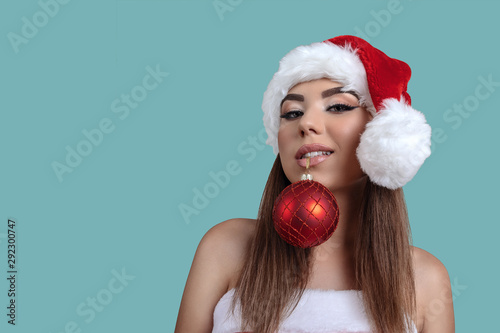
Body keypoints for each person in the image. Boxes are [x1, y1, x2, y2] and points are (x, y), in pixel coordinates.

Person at [175, 35, 455, 333]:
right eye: (292, 113)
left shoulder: (425, 279)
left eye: (337, 107)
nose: (305, 124)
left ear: (381, 136)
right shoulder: (226, 247)